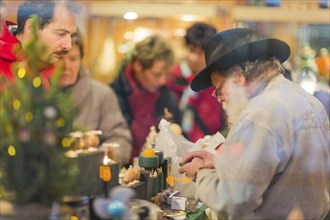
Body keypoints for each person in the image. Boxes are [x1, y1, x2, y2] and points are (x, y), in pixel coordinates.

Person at [178, 28, 329, 219]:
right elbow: (279, 171)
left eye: (218, 89)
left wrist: (200, 173)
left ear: (238, 77)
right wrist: (222, 163)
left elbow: (231, 202)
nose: (219, 99)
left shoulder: (259, 114)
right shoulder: (305, 99)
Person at [60, 32, 132, 165]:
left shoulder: (102, 94)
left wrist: (97, 160)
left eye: (73, 59)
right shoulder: (34, 94)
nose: (66, 67)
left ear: (81, 60)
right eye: (59, 58)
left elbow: (120, 139)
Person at [110, 35, 181, 163]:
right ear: (138, 66)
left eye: (166, 75)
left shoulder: (168, 97)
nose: (162, 81)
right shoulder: (113, 95)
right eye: (157, 74)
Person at [167, 22, 227, 142]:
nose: (194, 57)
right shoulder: (171, 79)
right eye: (191, 50)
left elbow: (225, 122)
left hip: (209, 148)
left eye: (201, 52)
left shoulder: (218, 83)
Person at [0, 0, 78, 86]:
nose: (69, 45)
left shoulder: (51, 66)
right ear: (31, 28)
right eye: (61, 34)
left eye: (71, 35)